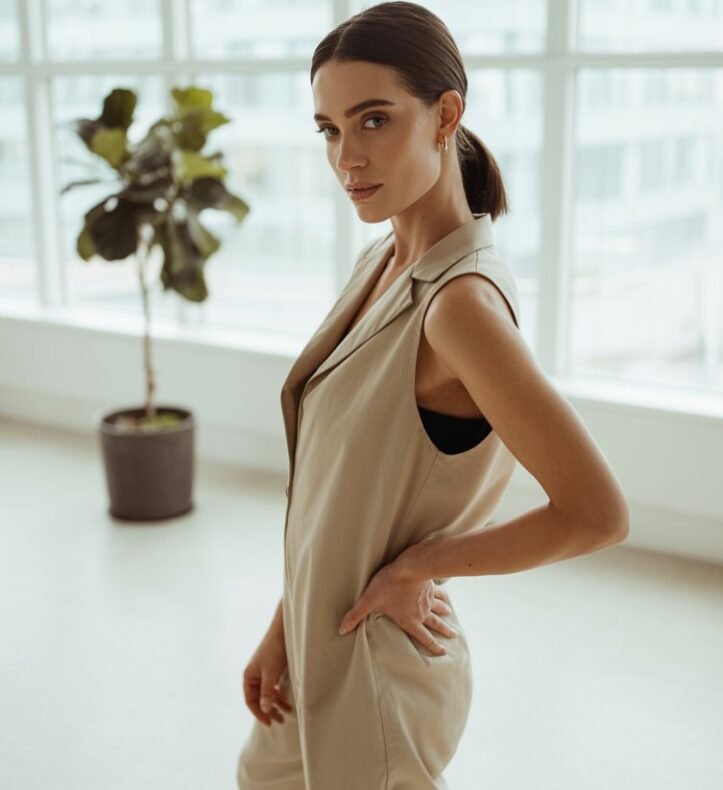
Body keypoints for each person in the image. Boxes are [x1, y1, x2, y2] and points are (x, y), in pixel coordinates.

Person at [237, 3, 630, 788]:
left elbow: (597, 513)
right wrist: (285, 627)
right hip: (323, 646)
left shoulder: (458, 308)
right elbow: (336, 493)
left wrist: (422, 567)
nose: (348, 157)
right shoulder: (382, 261)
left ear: (446, 114)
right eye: (329, 130)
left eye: (373, 120)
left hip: (377, 680)